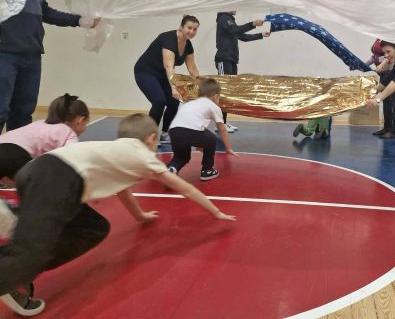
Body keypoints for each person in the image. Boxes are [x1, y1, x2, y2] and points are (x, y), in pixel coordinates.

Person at [0, 113, 234, 316]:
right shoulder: (142, 156)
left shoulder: (116, 151)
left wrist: (141, 216)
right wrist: (216, 211)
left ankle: (18, 264)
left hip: (40, 171)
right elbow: (185, 188)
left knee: (93, 228)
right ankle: (12, 271)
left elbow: (123, 190)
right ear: (152, 139)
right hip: (57, 178)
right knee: (34, 248)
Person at [0, 0, 99, 132]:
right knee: (0, 108)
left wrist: (79, 20)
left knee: (23, 111)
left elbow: (45, 12)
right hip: (4, 53)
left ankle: (16, 146)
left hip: (32, 55)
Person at [134, 15, 201, 143]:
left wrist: (200, 86)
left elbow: (192, 68)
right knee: (159, 101)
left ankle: (165, 133)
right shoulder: (168, 39)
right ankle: (148, 136)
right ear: (181, 27)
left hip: (162, 74)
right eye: (189, 28)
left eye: (195, 29)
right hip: (145, 72)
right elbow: (168, 66)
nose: (192, 31)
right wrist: (173, 87)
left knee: (174, 102)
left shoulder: (188, 45)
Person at [0, 94, 89, 187]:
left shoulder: (40, 123)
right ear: (81, 120)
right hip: (16, 154)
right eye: (86, 123)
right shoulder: (68, 132)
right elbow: (75, 158)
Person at [167, 78, 237, 181]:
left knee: (181, 157)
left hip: (174, 131)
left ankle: (172, 169)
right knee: (212, 139)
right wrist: (229, 148)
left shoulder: (189, 104)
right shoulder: (213, 106)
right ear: (216, 96)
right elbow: (222, 129)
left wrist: (199, 143)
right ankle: (207, 170)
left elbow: (191, 124)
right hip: (190, 131)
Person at [214, 11, 270, 133]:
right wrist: (252, 24)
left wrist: (261, 35)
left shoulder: (230, 20)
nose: (236, 8)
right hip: (224, 59)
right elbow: (235, 30)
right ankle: (220, 124)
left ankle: (223, 123)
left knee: (228, 93)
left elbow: (242, 36)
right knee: (223, 92)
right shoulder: (224, 18)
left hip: (231, 60)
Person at [365, 39, 395, 139]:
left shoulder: (388, 37)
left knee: (393, 102)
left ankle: (393, 130)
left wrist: (382, 64)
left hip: (392, 73)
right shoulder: (378, 39)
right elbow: (374, 57)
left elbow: (390, 56)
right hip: (383, 75)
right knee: (386, 102)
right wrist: (364, 65)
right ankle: (386, 128)